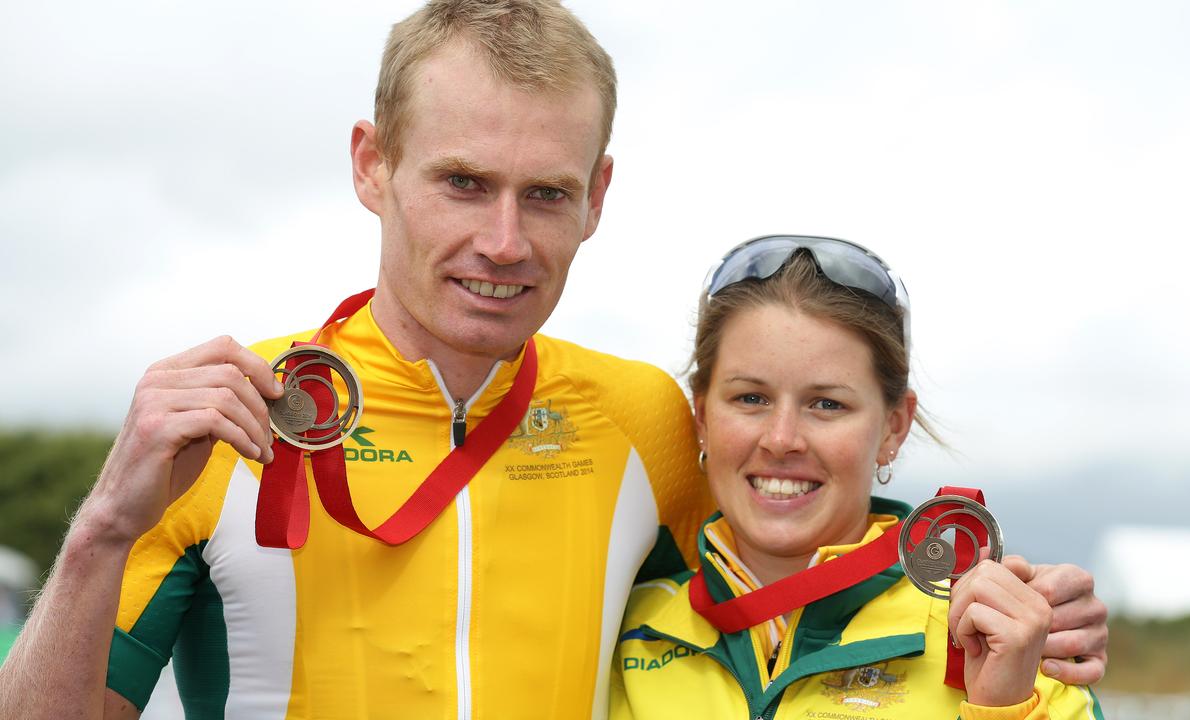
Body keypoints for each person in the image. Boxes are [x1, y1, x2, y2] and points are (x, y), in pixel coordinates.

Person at [0, 4, 1107, 719]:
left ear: (599, 199)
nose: (504, 241)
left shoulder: (637, 417)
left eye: (546, 194)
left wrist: (1004, 591)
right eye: (462, 182)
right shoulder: (229, 418)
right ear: (370, 165)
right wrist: (103, 523)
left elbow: (800, 515)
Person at [610, 236, 1105, 719]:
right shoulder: (619, 630)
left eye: (828, 404)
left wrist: (1002, 710)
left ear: (894, 427)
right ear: (702, 418)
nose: (782, 439)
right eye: (750, 398)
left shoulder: (1006, 640)